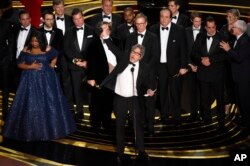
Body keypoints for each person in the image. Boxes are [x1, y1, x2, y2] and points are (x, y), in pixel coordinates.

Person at [3, 30, 76, 141]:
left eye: (36, 41)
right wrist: (29, 67)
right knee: (30, 103)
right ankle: (30, 131)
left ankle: (51, 129)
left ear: (40, 40)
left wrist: (52, 64)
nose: (34, 43)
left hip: (46, 80)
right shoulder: (27, 49)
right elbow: (19, 63)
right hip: (29, 80)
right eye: (32, 40)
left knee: (50, 103)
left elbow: (56, 55)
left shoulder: (46, 48)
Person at [101, 44, 154, 163]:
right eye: (132, 52)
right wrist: (106, 39)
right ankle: (120, 153)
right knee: (120, 126)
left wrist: (149, 90)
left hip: (134, 99)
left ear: (141, 57)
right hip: (120, 98)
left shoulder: (145, 68)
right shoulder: (123, 60)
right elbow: (115, 49)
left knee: (137, 126)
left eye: (137, 53)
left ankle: (141, 151)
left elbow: (146, 84)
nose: (133, 54)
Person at [149, 8, 188, 126]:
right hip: (160, 66)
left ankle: (176, 117)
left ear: (171, 18)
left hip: (175, 66)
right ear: (159, 17)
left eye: (166, 17)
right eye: (162, 16)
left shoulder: (179, 30)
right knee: (162, 93)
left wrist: (183, 66)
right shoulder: (153, 29)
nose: (164, 19)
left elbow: (184, 50)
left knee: (175, 93)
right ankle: (164, 116)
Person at [125, 13, 159, 136]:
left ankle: (151, 128)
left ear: (146, 23)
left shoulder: (153, 37)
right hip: (134, 75)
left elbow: (155, 56)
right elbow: (126, 55)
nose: (139, 26)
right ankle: (139, 127)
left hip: (149, 75)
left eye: (142, 23)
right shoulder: (130, 37)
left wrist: (144, 68)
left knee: (149, 103)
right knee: (136, 103)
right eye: (137, 24)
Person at [192, 16, 227, 130]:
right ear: (205, 27)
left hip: (217, 74)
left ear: (215, 27)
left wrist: (210, 60)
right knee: (204, 99)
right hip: (203, 73)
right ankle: (207, 120)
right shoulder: (200, 36)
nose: (211, 30)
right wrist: (201, 60)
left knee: (220, 100)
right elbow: (193, 53)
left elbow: (224, 55)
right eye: (209, 27)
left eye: (213, 27)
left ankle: (221, 123)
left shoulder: (222, 37)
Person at [87, 21, 122, 132]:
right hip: (99, 77)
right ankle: (96, 124)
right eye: (102, 29)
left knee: (109, 101)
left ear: (110, 30)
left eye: (107, 28)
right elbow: (91, 62)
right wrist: (91, 77)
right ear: (99, 32)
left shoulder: (117, 41)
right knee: (97, 102)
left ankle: (107, 123)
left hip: (115, 76)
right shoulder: (93, 44)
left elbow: (121, 58)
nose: (105, 30)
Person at [64, 8, 94, 119]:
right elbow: (66, 49)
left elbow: (95, 49)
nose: (78, 21)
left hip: (89, 66)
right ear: (73, 20)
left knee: (91, 90)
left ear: (83, 17)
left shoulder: (92, 30)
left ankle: (92, 111)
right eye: (76, 19)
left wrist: (87, 62)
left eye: (80, 18)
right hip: (74, 66)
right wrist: (76, 61)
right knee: (76, 89)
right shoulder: (69, 31)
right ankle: (79, 111)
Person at [220, 20, 250, 129]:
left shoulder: (245, 41)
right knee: (239, 100)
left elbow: (239, 58)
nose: (232, 28)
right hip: (238, 76)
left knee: (244, 100)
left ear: (239, 29)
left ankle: (247, 122)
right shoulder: (238, 39)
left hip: (243, 77)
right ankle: (243, 118)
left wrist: (228, 50)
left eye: (234, 27)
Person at [53, 0, 74, 106]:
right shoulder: (49, 20)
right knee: (55, 80)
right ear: (54, 8)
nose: (60, 9)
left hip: (68, 54)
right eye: (58, 7)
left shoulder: (70, 19)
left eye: (62, 7)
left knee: (67, 80)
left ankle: (69, 104)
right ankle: (56, 103)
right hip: (54, 55)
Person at [220, 9, 240, 113]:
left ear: (236, 17)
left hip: (235, 60)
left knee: (236, 84)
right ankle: (226, 104)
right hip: (224, 60)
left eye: (230, 16)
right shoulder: (223, 27)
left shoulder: (240, 28)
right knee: (225, 84)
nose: (227, 18)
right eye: (227, 16)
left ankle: (237, 105)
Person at [185, 12, 204, 121]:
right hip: (190, 65)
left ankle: (203, 113)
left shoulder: (205, 31)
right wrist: (190, 64)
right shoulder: (186, 31)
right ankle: (193, 114)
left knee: (203, 91)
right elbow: (184, 49)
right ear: (192, 21)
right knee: (192, 91)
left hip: (202, 65)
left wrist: (200, 63)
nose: (198, 23)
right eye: (196, 21)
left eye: (199, 21)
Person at [10, 10, 37, 90]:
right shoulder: (15, 29)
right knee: (17, 85)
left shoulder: (36, 31)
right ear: (19, 20)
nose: (25, 21)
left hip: (29, 63)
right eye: (23, 19)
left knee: (29, 86)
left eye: (27, 18)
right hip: (16, 62)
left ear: (30, 19)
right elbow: (12, 45)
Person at [40, 10, 64, 80]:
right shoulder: (37, 32)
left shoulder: (59, 32)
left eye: (52, 19)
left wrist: (54, 61)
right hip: (41, 66)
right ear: (43, 20)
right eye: (48, 19)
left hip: (56, 65)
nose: (50, 21)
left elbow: (61, 49)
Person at [0, 12, 12, 120]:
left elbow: (11, 43)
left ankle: (5, 110)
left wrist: (8, 58)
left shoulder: (6, 24)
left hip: (4, 60)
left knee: (5, 86)